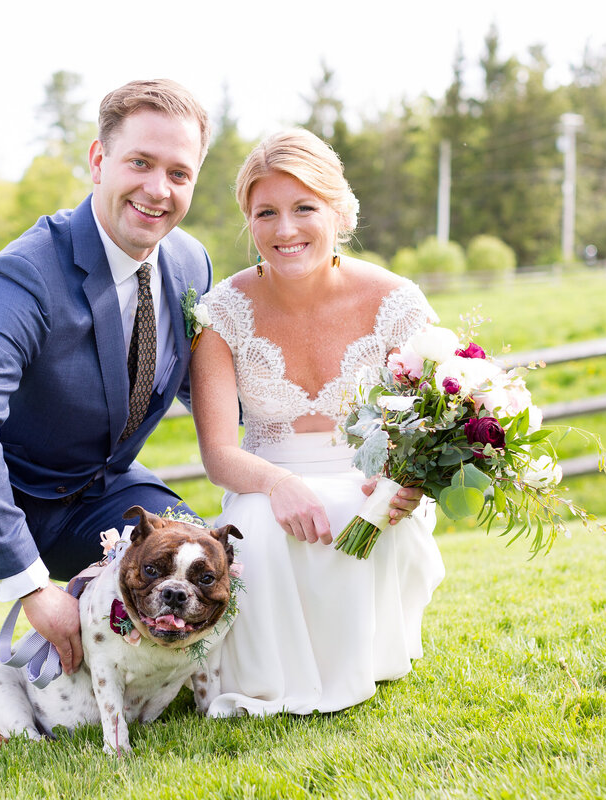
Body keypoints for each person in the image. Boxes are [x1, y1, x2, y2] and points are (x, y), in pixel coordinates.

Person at [0, 79, 213, 748]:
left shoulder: (189, 263)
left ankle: (166, 667)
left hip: (96, 490)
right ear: (98, 160)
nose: (158, 189)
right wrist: (31, 588)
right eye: (139, 163)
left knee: (194, 544)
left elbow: (206, 390)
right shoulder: (25, 274)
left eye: (179, 172)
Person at [190, 129, 445, 716]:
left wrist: (407, 482)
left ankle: (359, 661)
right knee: (253, 521)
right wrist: (278, 484)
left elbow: (437, 421)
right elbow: (219, 456)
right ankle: (267, 682)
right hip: (265, 476)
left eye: (304, 208)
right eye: (266, 213)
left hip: (372, 481)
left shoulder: (395, 301)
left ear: (340, 211)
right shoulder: (221, 315)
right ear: (248, 221)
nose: (285, 230)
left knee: (364, 508)